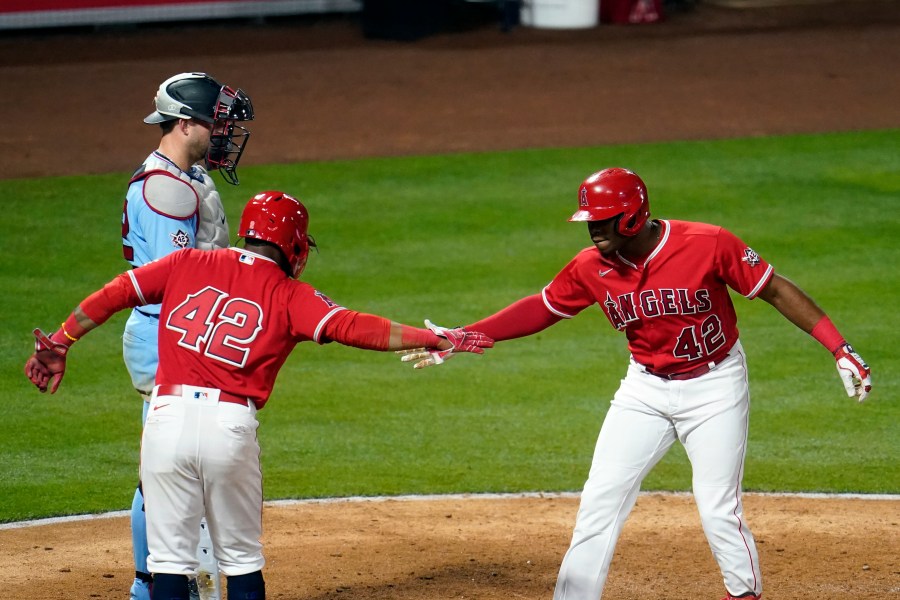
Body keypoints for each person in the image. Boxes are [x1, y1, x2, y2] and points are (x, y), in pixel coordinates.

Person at [400, 167, 872, 600]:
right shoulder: (590, 266)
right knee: (599, 501)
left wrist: (839, 347)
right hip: (644, 390)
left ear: (633, 215)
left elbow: (773, 288)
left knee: (717, 510)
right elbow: (542, 307)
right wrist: (464, 335)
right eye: (589, 220)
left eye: (603, 220)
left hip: (715, 386)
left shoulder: (707, 243)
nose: (593, 229)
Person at [24, 190, 494, 600]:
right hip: (229, 426)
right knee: (242, 559)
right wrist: (435, 338)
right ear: (293, 245)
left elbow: (115, 292)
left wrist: (60, 342)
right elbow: (355, 327)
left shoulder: (188, 262)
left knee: (168, 561)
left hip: (164, 419)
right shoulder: (291, 293)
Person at [123, 71, 254, 600]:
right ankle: (148, 585)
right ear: (183, 124)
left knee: (186, 465)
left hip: (187, 333)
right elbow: (172, 279)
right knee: (165, 468)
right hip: (167, 337)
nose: (223, 134)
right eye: (215, 124)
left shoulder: (188, 178)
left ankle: (182, 579)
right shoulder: (164, 189)